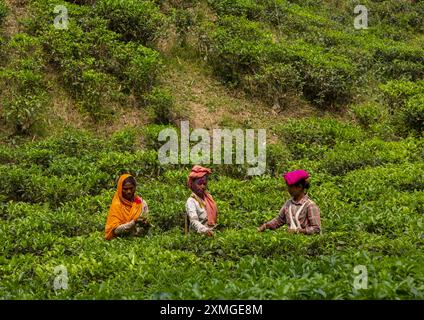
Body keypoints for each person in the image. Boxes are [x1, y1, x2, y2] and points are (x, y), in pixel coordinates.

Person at [258, 169, 321, 235]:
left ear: (299, 187)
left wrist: (299, 231)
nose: (288, 190)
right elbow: (279, 220)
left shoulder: (310, 205)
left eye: (291, 187)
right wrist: (265, 226)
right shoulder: (288, 204)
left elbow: (316, 229)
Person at [105, 174, 150, 240]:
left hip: (140, 240)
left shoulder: (141, 203)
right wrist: (134, 222)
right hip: (121, 242)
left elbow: (146, 224)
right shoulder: (117, 205)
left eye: (131, 188)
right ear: (120, 189)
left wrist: (146, 225)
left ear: (135, 187)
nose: (129, 191)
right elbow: (115, 230)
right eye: (125, 189)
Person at [185, 165, 218, 237]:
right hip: (197, 238)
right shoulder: (191, 201)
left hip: (211, 236)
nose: (202, 186)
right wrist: (205, 230)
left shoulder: (208, 198)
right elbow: (193, 221)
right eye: (199, 183)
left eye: (204, 183)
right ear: (193, 184)